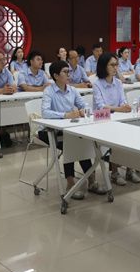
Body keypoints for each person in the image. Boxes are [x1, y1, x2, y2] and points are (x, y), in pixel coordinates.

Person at [41, 60, 107, 200]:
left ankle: (91, 180)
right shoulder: (49, 91)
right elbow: (45, 112)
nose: (68, 75)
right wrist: (65, 115)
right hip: (50, 131)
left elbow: (84, 105)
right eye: (65, 72)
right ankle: (70, 183)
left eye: (69, 71)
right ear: (56, 76)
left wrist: (83, 111)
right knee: (71, 144)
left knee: (81, 142)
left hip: (69, 129)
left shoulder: (72, 90)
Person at [92, 53, 139, 185]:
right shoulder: (97, 84)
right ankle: (114, 172)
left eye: (116, 65)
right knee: (115, 138)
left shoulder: (118, 82)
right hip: (102, 122)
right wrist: (119, 109)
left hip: (118, 118)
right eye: (112, 65)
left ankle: (130, 170)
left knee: (131, 136)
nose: (115, 67)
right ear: (104, 66)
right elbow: (101, 106)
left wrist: (125, 106)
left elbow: (122, 100)